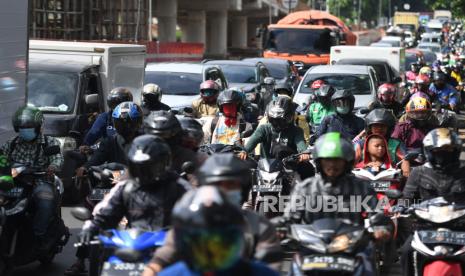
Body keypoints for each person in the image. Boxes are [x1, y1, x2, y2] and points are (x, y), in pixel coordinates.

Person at [143, 154, 282, 275]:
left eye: (231, 185)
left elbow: (271, 264)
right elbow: (169, 250)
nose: (224, 190)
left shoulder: (258, 224)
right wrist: (152, 269)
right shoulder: (191, 219)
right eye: (217, 184)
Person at [281, 133, 387, 276]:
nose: (332, 164)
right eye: (328, 160)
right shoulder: (305, 188)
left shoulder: (362, 187)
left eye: (338, 160)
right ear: (319, 162)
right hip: (311, 250)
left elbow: (377, 215)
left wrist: (380, 228)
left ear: (347, 162)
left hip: (352, 250)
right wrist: (280, 228)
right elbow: (290, 218)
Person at [78, 134, 189, 246]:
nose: (143, 172)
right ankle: (81, 260)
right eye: (139, 167)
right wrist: (91, 228)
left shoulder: (180, 187)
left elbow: (198, 216)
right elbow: (106, 214)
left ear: (163, 164)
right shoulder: (127, 188)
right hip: (133, 247)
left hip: (169, 249)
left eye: (149, 167)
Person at [151, 186, 279, 276]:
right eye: (202, 246)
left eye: (220, 245)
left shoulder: (261, 273)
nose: (211, 257)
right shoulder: (172, 274)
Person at [399, 128, 465, 276]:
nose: (442, 154)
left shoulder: (463, 172)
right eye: (437, 151)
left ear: (456, 151)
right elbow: (406, 198)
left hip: (460, 228)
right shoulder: (418, 172)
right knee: (407, 251)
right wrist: (402, 207)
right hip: (426, 227)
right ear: (429, 151)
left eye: (448, 150)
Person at [0, 106, 63, 253]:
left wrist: (52, 167)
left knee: (45, 203)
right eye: (22, 127)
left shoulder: (49, 142)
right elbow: (2, 157)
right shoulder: (12, 143)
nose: (25, 130)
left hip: (40, 181)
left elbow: (57, 158)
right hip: (14, 181)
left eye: (29, 126)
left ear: (38, 127)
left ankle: (39, 236)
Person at [75, 102, 143, 177]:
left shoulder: (145, 141)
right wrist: (85, 168)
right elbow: (97, 158)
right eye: (120, 123)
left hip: (139, 181)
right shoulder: (110, 141)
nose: (125, 127)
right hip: (115, 180)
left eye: (128, 123)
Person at [238, 96, 309, 161]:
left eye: (280, 120)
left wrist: (304, 153)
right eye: (273, 120)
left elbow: (301, 145)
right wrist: (245, 151)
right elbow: (253, 140)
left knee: (308, 169)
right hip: (265, 167)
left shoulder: (296, 131)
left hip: (289, 167)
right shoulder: (264, 129)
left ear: (289, 117)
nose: (276, 123)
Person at [354, 108, 410, 176]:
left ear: (389, 128)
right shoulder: (361, 143)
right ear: (369, 128)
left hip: (390, 180)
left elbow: (405, 160)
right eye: (376, 126)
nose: (379, 128)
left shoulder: (396, 143)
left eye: (383, 126)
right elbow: (352, 162)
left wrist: (406, 174)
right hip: (364, 180)